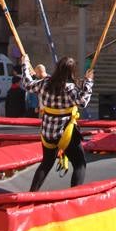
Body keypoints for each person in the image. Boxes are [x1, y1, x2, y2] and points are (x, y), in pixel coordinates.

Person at [21, 54, 94, 191]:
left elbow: (27, 84)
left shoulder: (44, 83)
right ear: (72, 72)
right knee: (80, 164)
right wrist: (89, 82)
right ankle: (74, 194)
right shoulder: (70, 88)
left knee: (46, 163)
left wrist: (25, 64)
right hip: (66, 132)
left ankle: (32, 193)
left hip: (48, 132)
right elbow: (82, 102)